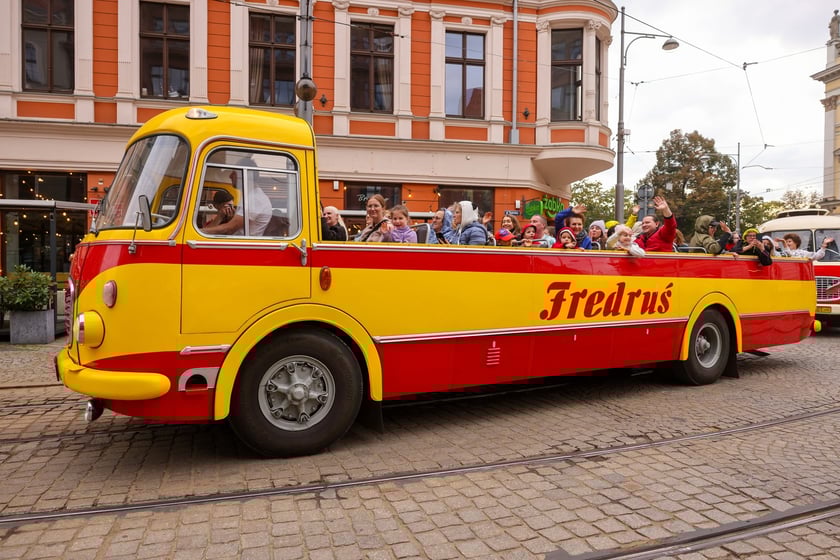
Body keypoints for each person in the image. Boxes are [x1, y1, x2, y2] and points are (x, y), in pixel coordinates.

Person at [202, 169, 273, 236]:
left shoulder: (255, 198)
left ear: (245, 175)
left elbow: (230, 229)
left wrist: (199, 231)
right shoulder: (251, 196)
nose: (230, 176)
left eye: (234, 173)